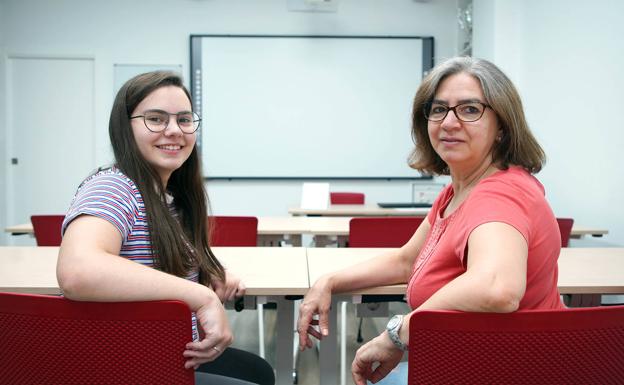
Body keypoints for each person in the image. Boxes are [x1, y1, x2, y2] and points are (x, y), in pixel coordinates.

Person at [297, 56, 564, 385]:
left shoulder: (500, 195)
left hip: (505, 369)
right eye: (438, 110)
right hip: (473, 362)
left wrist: (398, 333)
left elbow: (497, 288)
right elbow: (406, 260)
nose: (449, 122)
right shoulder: (458, 191)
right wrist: (329, 281)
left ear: (502, 128)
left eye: (469, 109)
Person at [57, 71, 274, 385]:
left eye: (184, 119)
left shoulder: (168, 196)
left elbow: (149, 265)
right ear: (124, 127)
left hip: (164, 354)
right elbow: (78, 271)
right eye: (156, 119)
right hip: (130, 366)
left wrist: (205, 273)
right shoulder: (114, 187)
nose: (174, 131)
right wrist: (201, 297)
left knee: (258, 371)